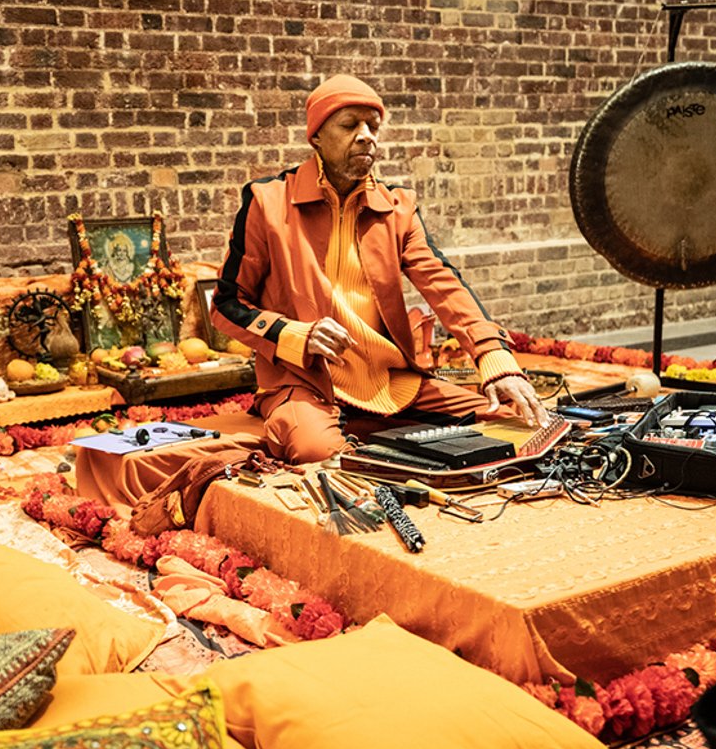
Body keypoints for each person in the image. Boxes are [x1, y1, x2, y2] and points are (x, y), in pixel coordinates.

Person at [211, 74, 548, 464]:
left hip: (391, 381)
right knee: (317, 452)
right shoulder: (267, 202)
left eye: (373, 125)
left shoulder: (397, 207)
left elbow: (443, 286)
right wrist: (294, 333)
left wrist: (493, 356)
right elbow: (227, 304)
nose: (367, 135)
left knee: (510, 422)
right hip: (304, 380)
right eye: (350, 124)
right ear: (316, 136)